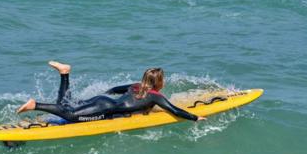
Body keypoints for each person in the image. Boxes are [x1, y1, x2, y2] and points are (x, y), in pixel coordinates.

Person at [17, 61, 207, 123]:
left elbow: (116, 90)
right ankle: (36, 105)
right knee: (71, 116)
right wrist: (195, 118)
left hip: (103, 100)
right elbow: (175, 111)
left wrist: (104, 92)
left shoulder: (135, 86)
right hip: (106, 109)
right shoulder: (155, 96)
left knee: (67, 105)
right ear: (159, 83)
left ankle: (65, 73)